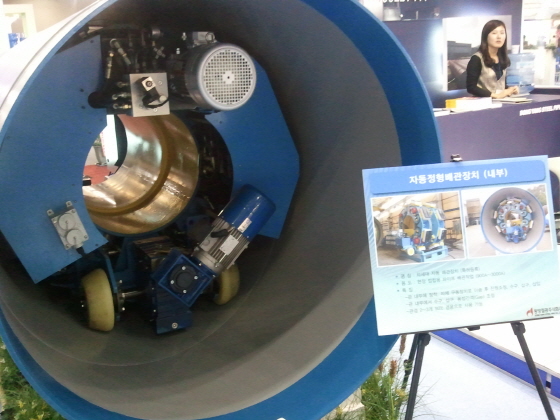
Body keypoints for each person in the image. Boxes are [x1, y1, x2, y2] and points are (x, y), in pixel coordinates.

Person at [466, 20, 519, 98]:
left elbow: (499, 84)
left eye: (502, 33)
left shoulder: (502, 58)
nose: (499, 37)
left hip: (501, 102)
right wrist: (495, 96)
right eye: (494, 33)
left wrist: (510, 89)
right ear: (486, 36)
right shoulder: (477, 59)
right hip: (483, 102)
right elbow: (471, 87)